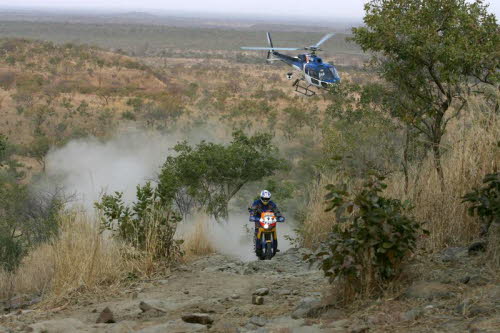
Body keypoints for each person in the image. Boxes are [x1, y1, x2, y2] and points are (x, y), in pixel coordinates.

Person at [248, 190, 285, 255]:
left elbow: (277, 211)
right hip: (259, 220)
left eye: (267, 199)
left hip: (270, 220)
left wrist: (280, 217)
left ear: (269, 198)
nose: (265, 200)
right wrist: (252, 216)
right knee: (257, 231)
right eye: (264, 199)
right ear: (261, 197)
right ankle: (256, 246)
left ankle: (275, 247)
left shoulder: (272, 203)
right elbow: (252, 211)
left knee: (273, 229)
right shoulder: (256, 203)